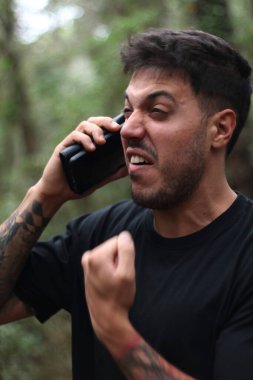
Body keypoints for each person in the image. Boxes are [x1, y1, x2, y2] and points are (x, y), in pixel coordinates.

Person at [0, 28, 252, 380]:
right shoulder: (98, 235)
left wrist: (115, 329)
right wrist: (45, 193)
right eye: (127, 110)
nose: (130, 129)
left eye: (158, 111)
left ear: (220, 129)